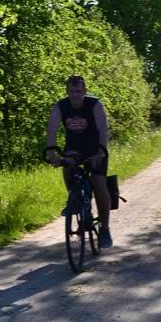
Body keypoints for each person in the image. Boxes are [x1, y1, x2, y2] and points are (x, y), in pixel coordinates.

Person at [46, 75, 113, 248]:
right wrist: (52, 151)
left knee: (99, 183)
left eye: (78, 91)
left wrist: (101, 151)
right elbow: (51, 130)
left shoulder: (94, 104)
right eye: (71, 91)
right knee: (67, 165)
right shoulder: (61, 106)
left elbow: (103, 130)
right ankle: (74, 200)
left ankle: (104, 229)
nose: (75, 95)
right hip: (74, 148)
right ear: (67, 92)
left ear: (84, 92)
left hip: (95, 148)